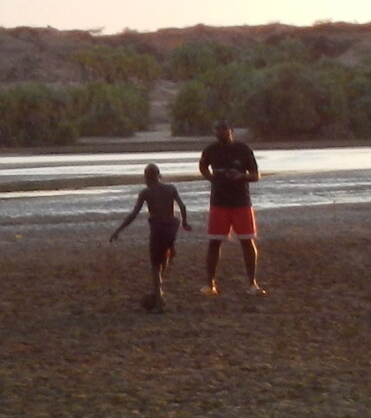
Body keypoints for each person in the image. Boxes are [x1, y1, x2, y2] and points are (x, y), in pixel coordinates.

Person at [197, 121, 264, 295]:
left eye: (224, 130)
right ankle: (210, 284)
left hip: (241, 202)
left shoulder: (243, 149)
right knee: (214, 242)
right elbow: (202, 166)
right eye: (217, 130)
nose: (220, 133)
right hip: (218, 202)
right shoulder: (210, 150)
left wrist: (240, 176)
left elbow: (256, 175)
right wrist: (211, 177)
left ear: (231, 131)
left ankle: (252, 284)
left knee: (247, 241)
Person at [111, 163, 189, 310]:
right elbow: (182, 206)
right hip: (171, 227)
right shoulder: (171, 189)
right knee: (164, 258)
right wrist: (184, 222)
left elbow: (134, 214)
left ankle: (158, 301)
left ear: (146, 178)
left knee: (155, 265)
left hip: (158, 228)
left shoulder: (146, 192)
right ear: (159, 176)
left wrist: (119, 230)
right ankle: (157, 289)